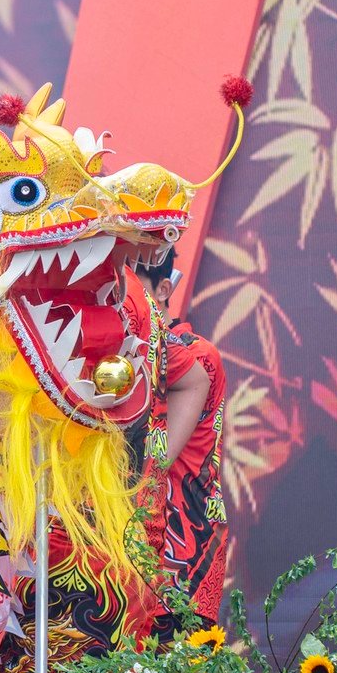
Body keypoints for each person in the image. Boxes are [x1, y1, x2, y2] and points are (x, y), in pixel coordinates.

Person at [133, 249, 230, 622]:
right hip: (146, 528)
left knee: (176, 670)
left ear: (162, 289)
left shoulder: (195, 355)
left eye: (133, 284)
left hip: (184, 536)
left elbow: (154, 452)